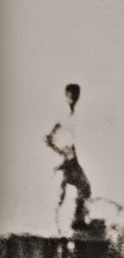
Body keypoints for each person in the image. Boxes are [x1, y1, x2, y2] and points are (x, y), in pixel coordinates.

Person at [45, 83, 92, 232]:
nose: (73, 98)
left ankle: (77, 220)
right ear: (66, 96)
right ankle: (56, 225)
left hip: (72, 158)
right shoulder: (62, 115)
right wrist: (60, 152)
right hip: (65, 160)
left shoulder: (75, 114)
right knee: (61, 193)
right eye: (71, 95)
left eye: (76, 95)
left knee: (84, 187)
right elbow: (48, 138)